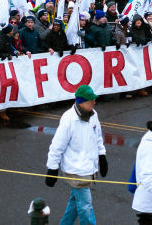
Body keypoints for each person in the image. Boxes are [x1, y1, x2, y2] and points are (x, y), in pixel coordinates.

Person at [45, 85, 108, 225]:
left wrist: (102, 156)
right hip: (75, 171)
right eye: (91, 100)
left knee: (76, 203)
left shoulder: (93, 114)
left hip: (88, 168)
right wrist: (52, 168)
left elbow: (98, 137)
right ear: (81, 102)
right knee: (86, 207)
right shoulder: (68, 119)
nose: (94, 102)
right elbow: (56, 146)